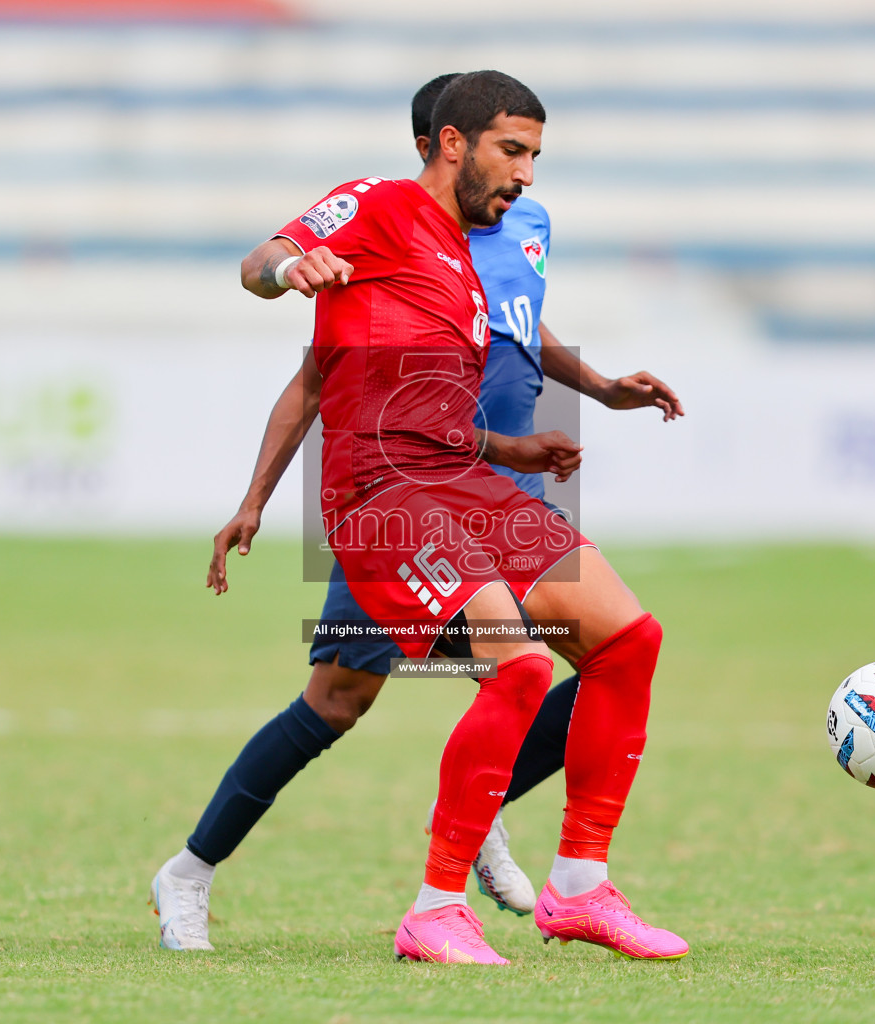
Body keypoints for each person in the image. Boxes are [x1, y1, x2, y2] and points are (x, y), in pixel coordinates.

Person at [152, 73, 684, 955]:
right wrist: (291, 268)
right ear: (450, 142)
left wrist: (533, 439)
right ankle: (410, 902)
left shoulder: (476, 265)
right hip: (385, 499)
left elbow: (443, 401)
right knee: (380, 693)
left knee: (628, 639)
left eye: (533, 157)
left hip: (468, 486)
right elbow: (265, 280)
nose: (526, 176)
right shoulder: (380, 207)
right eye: (512, 152)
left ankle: (579, 886)